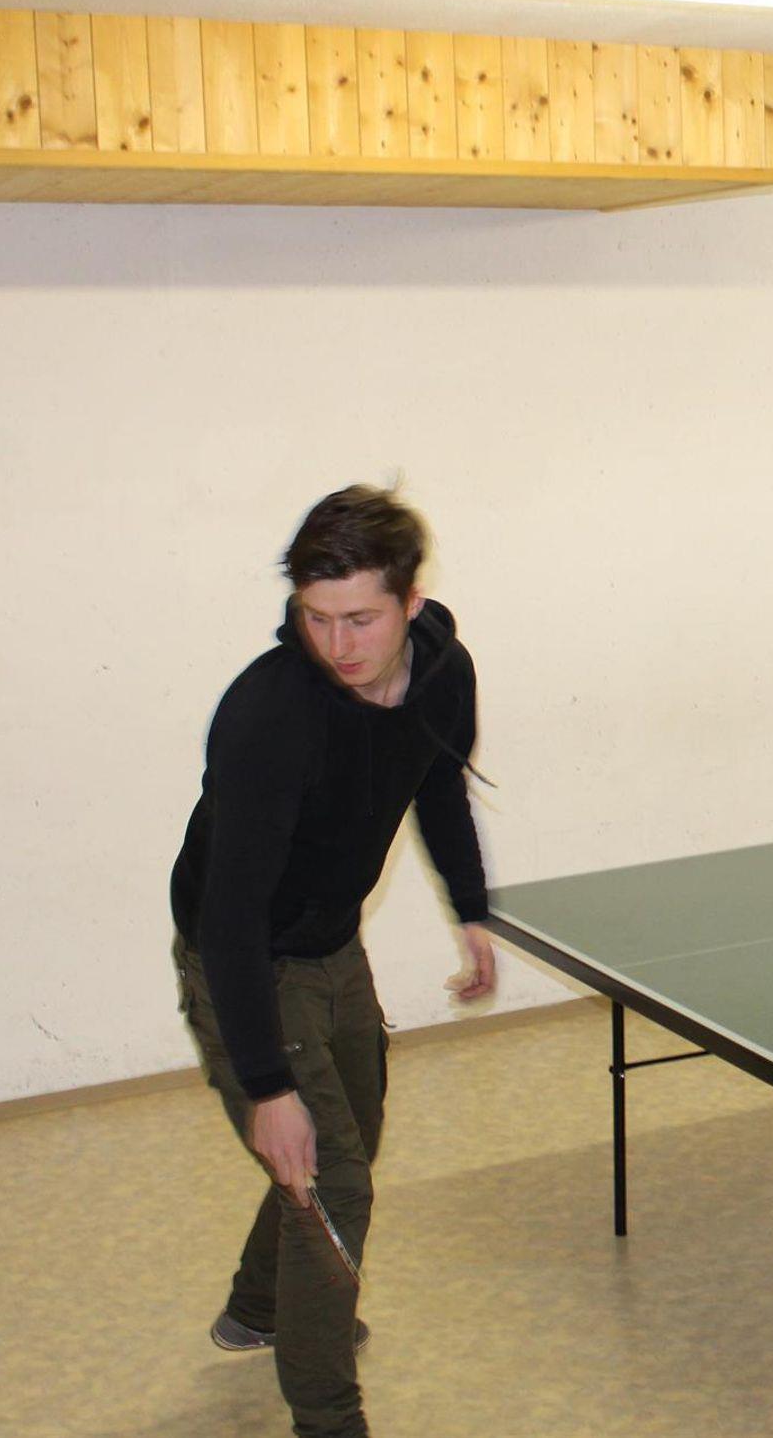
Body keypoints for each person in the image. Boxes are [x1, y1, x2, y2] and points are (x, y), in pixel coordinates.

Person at [170, 484, 497, 1438]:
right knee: (329, 1180)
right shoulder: (269, 714)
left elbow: (438, 783)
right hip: (242, 959)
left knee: (355, 1129)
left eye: (360, 619)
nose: (337, 643)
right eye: (316, 618)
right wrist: (266, 1086)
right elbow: (231, 918)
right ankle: (327, 1415)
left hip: (331, 943)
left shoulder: (443, 672)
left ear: (410, 601)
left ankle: (258, 1305)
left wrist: (471, 912)